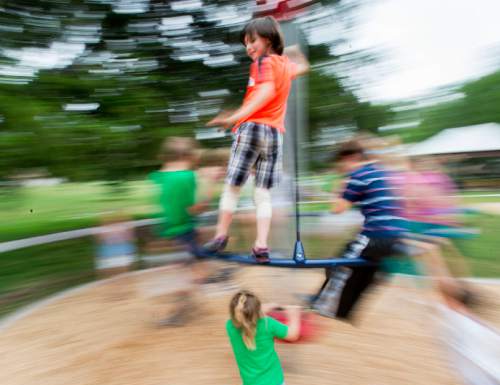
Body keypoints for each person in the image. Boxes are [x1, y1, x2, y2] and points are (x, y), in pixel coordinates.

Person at [204, 16, 309, 263]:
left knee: (232, 187)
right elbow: (303, 67)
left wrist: (235, 117)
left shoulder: (262, 64)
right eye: (245, 43)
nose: (248, 47)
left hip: (251, 128)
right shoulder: (284, 65)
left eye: (252, 41)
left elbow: (266, 91)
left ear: (269, 39)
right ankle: (261, 245)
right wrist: (295, 52)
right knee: (262, 193)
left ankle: (220, 236)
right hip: (274, 135)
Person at [310, 140, 408, 320]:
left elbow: (337, 209)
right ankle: (344, 312)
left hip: (376, 236)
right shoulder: (380, 172)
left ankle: (321, 305)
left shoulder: (358, 175)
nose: (340, 167)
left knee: (338, 264)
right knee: (366, 270)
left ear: (351, 158)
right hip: (397, 236)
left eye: (340, 163)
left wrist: (338, 185)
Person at [149, 137, 218, 326]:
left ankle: (187, 305)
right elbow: (196, 208)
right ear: (187, 155)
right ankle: (180, 311)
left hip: (165, 232)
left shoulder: (158, 176)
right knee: (190, 274)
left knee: (187, 269)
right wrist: (209, 183)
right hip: (185, 231)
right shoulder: (188, 177)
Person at [226, 290, 301, 385]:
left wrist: (260, 310)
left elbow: (246, 321)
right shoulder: (268, 324)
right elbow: (293, 335)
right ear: (257, 311)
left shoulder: (230, 327)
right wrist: (294, 315)